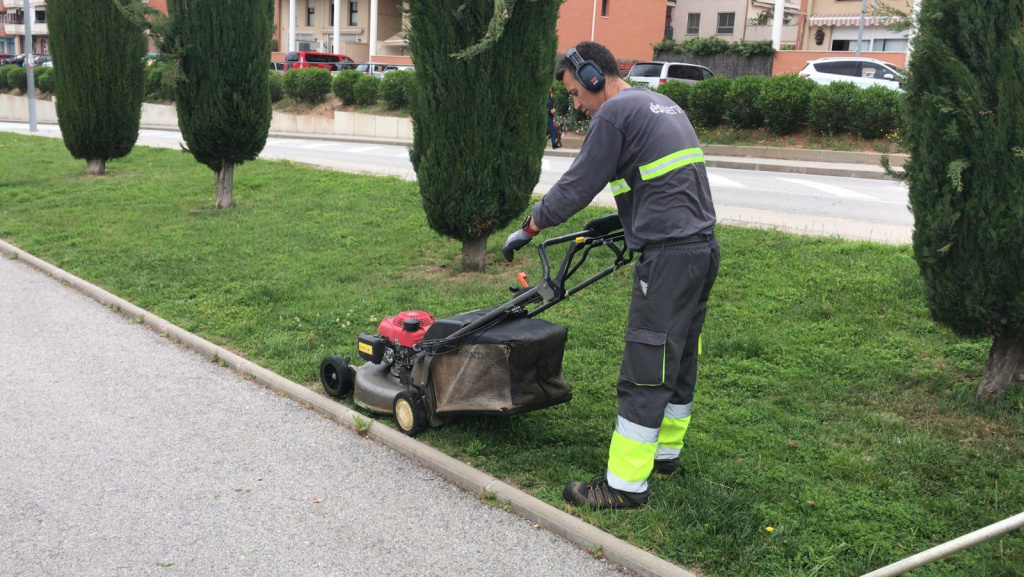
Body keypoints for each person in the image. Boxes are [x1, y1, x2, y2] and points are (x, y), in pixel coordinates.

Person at [502, 41, 719, 510]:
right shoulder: (660, 104)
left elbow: (578, 184)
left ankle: (624, 486)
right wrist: (621, 224)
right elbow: (660, 183)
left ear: (596, 78)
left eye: (577, 93)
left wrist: (530, 226)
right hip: (701, 249)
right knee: (677, 355)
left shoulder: (614, 114)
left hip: (667, 257)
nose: (576, 105)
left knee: (645, 366)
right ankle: (665, 454)